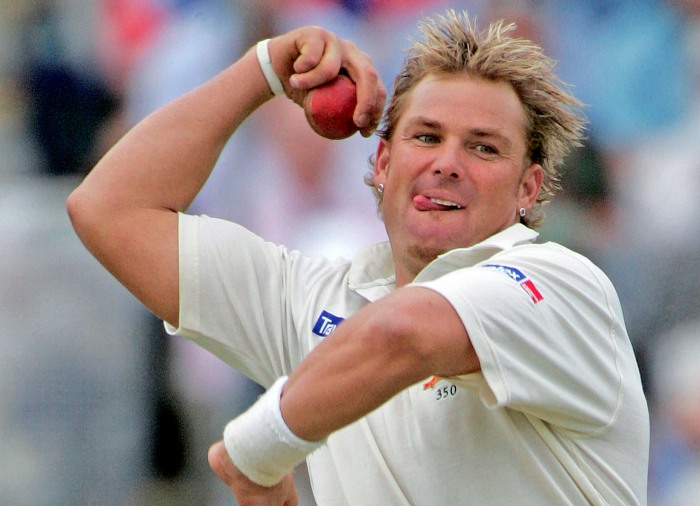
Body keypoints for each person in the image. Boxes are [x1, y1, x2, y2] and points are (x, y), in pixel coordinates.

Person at [67, 10, 649, 505]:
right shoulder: (319, 301)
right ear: (381, 165)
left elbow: (405, 334)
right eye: (425, 137)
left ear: (529, 188)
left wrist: (255, 451)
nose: (447, 162)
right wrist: (264, 70)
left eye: (483, 147)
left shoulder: (564, 285)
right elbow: (109, 209)